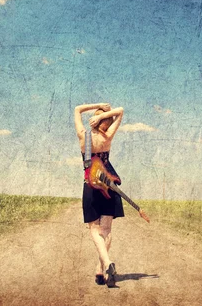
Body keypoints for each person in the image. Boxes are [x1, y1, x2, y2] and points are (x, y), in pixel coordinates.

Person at [74, 103, 124, 288]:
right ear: (106, 123)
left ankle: (107, 264)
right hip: (109, 186)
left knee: (95, 231)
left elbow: (77, 109)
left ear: (94, 121)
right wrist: (107, 112)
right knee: (106, 231)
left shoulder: (83, 137)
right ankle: (99, 269)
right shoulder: (108, 137)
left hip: (91, 186)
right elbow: (121, 111)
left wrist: (97, 107)